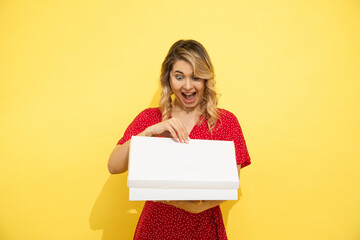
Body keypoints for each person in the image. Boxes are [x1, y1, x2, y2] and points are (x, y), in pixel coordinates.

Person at [108, 39, 251, 239]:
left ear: (205, 80)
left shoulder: (225, 122)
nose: (187, 86)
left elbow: (230, 183)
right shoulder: (150, 118)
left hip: (203, 229)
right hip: (156, 228)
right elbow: (114, 166)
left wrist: (193, 208)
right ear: (168, 79)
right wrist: (149, 133)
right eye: (179, 76)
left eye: (195, 77)